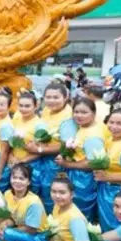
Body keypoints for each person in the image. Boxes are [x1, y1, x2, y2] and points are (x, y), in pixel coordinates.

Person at [54, 97, 108, 220]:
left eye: (84, 112)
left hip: (84, 179)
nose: (79, 115)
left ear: (93, 113)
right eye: (76, 112)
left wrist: (67, 164)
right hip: (79, 175)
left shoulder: (93, 136)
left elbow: (92, 163)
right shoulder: (86, 127)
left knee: (81, 210)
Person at [28, 82, 74, 213]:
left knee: (52, 192)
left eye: (56, 97)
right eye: (48, 97)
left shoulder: (68, 117)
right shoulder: (46, 111)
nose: (51, 101)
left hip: (56, 161)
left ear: (65, 97)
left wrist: (40, 149)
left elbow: (66, 145)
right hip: (40, 159)